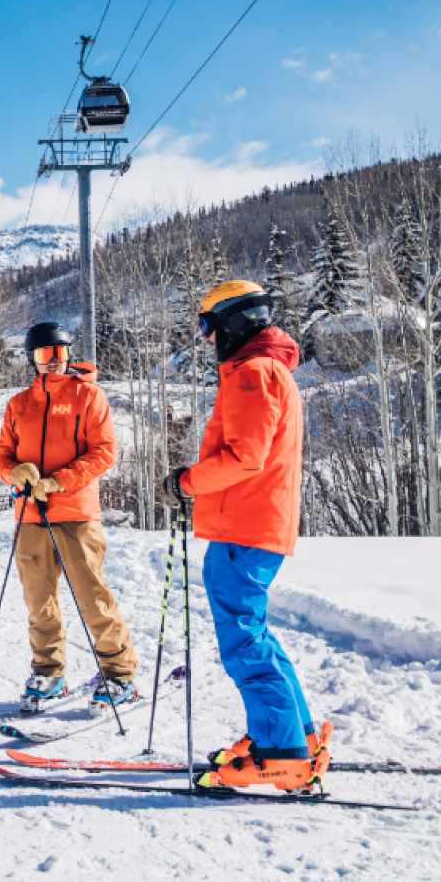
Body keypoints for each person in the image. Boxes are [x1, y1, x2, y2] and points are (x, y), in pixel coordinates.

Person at [162, 280, 331, 792]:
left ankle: (281, 754)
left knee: (244, 640)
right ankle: (294, 736)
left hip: (245, 528)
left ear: (233, 322)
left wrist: (185, 482)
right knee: (254, 632)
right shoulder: (268, 371)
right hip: (256, 525)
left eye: (208, 327)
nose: (207, 339)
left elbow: (244, 457)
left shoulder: (253, 375)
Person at [0, 322, 138, 714]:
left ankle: (118, 672)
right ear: (32, 360)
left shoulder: (89, 397)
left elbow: (104, 452)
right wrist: (14, 473)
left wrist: (59, 481)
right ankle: (49, 672)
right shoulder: (18, 404)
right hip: (30, 516)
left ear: (68, 355)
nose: (53, 363)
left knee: (92, 596)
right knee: (39, 601)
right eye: (44, 356)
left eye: (59, 354)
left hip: (76, 512)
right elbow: (1, 457)